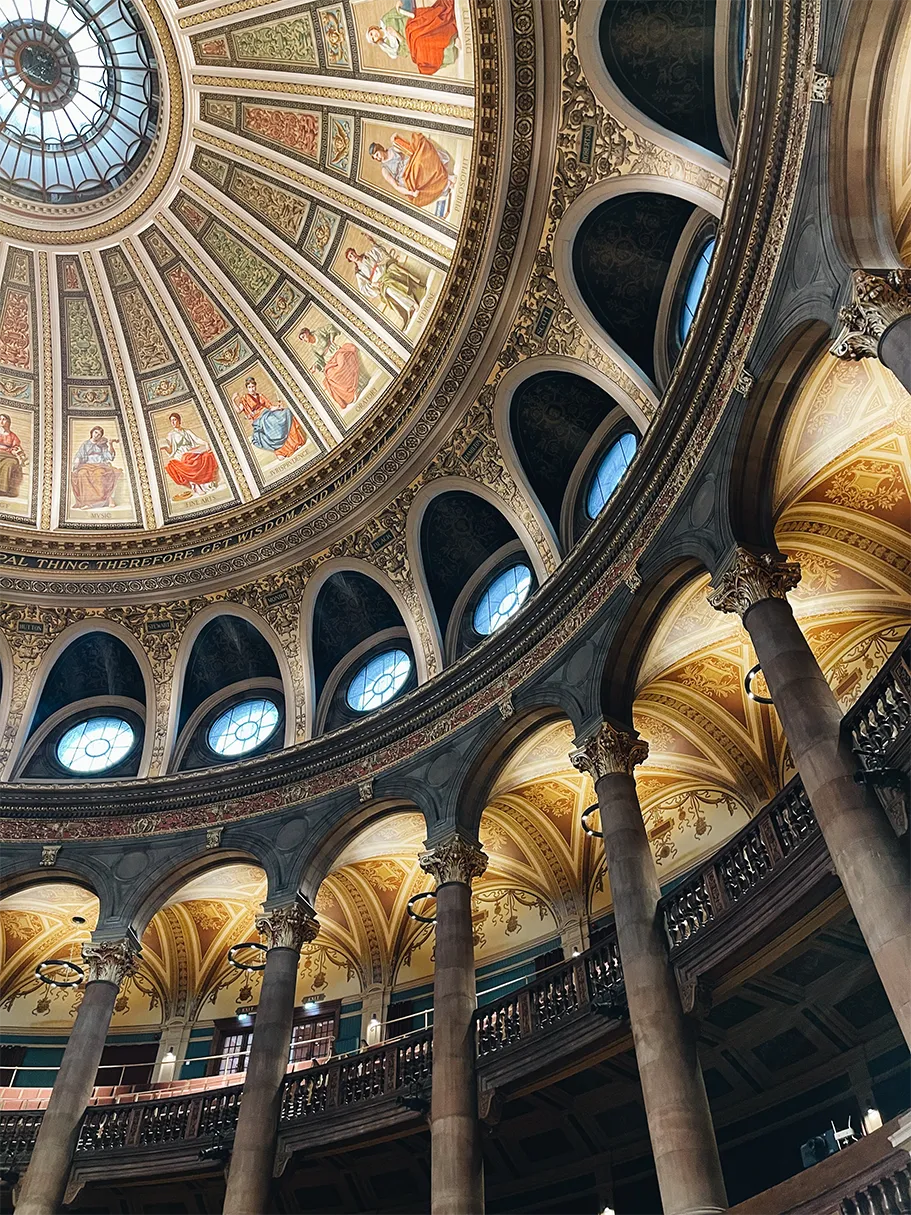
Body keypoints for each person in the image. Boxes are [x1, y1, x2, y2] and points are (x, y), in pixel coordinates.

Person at [369, 133, 455, 215]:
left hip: (410, 164)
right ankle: (445, 182)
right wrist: (411, 193)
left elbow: (409, 147)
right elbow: (396, 186)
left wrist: (398, 137)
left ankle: (445, 177)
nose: (377, 158)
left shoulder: (393, 149)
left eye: (377, 154)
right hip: (407, 179)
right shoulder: (385, 170)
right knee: (418, 165)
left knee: (422, 151)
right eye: (375, 157)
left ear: (380, 148)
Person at [365, 0, 459, 75]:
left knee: (419, 35)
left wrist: (399, 5)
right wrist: (397, 35)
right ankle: (451, 43)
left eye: (371, 33)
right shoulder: (389, 46)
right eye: (373, 38)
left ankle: (449, 33)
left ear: (373, 28)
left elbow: (399, 12)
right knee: (421, 52)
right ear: (376, 41)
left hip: (410, 24)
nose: (374, 36)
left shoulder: (385, 20)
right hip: (410, 41)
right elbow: (406, 51)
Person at [344, 244, 424, 327]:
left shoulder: (367, 255)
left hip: (385, 271)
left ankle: (414, 297)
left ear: (355, 252)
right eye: (350, 256)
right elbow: (363, 288)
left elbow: (379, 251)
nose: (353, 256)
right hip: (380, 282)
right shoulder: (359, 272)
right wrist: (373, 284)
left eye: (352, 253)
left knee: (395, 272)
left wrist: (372, 242)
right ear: (350, 260)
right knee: (389, 291)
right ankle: (410, 306)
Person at [231, 376, 307, 458]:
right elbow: (239, 411)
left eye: (253, 386)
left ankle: (295, 442)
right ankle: (281, 451)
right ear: (247, 388)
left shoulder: (260, 396)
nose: (252, 389)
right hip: (259, 419)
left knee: (286, 412)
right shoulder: (245, 398)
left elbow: (270, 407)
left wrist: (278, 408)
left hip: (267, 413)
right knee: (272, 421)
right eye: (249, 387)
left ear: (255, 386)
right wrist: (233, 400)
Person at [298, 325, 367, 409]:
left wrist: (331, 339)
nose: (304, 340)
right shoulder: (313, 349)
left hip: (337, 352)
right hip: (329, 361)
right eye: (302, 339)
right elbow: (320, 361)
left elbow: (331, 327)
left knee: (342, 363)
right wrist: (315, 367)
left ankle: (356, 386)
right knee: (331, 375)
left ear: (307, 333)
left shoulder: (319, 331)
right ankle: (351, 394)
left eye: (303, 337)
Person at [159, 413, 219, 499]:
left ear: (179, 420)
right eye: (171, 421)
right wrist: (164, 447)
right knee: (187, 460)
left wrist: (206, 443)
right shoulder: (170, 435)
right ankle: (196, 486)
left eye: (175, 420)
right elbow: (170, 450)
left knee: (206, 456)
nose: (173, 422)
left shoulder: (187, 431)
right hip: (180, 453)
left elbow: (196, 439)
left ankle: (206, 483)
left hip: (191, 450)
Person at [71, 425, 119, 509]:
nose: (96, 435)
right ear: (92, 432)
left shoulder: (102, 445)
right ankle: (87, 502)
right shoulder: (85, 444)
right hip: (87, 465)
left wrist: (110, 445)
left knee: (99, 474)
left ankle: (99, 501)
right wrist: (76, 464)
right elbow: (79, 455)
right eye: (95, 432)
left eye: (99, 434)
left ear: (101, 436)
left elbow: (110, 457)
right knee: (82, 474)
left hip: (99, 465)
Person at [0, 414, 25, 499]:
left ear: (9, 422)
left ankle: (3, 489)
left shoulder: (13, 436)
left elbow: (16, 447)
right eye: (0, 419)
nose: (1, 421)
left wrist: (14, 451)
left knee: (11, 463)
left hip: (8, 455)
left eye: (4, 419)